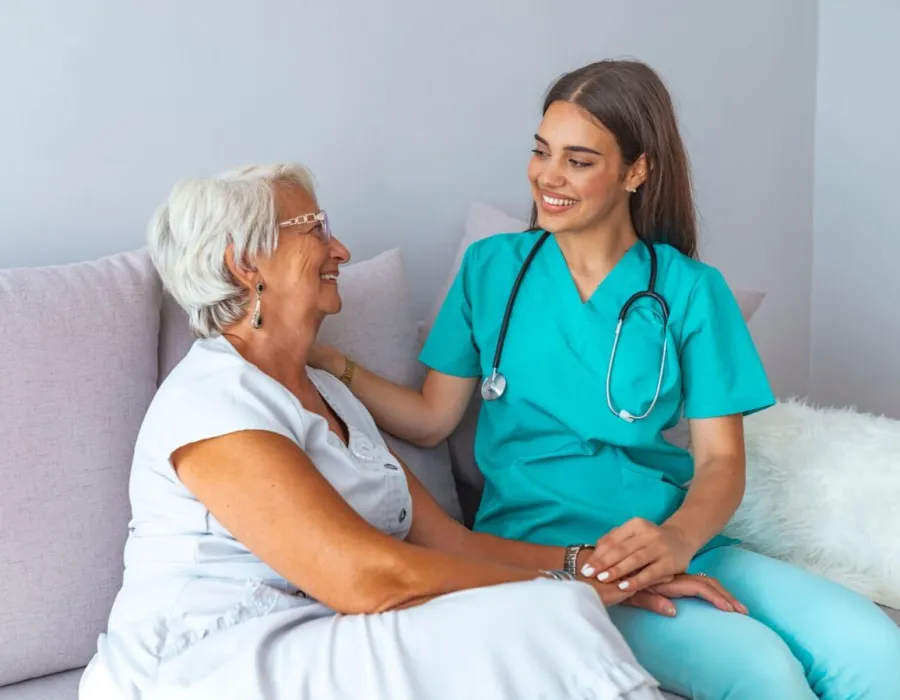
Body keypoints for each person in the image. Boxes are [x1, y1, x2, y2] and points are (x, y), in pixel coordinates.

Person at [310, 60, 900, 699]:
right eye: (541, 151)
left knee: (876, 649)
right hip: (546, 552)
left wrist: (677, 539)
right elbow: (430, 418)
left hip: (671, 535)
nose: (547, 176)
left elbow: (722, 460)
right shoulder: (492, 270)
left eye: (579, 160)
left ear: (636, 170)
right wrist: (326, 361)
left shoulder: (691, 290)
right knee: (761, 671)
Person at [78, 163, 739, 700]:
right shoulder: (212, 402)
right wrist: (572, 589)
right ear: (247, 262)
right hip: (205, 668)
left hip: (320, 637)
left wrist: (597, 569)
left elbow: (450, 541)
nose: (341, 249)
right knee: (555, 616)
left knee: (554, 616)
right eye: (315, 228)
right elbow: (365, 580)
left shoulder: (331, 396)